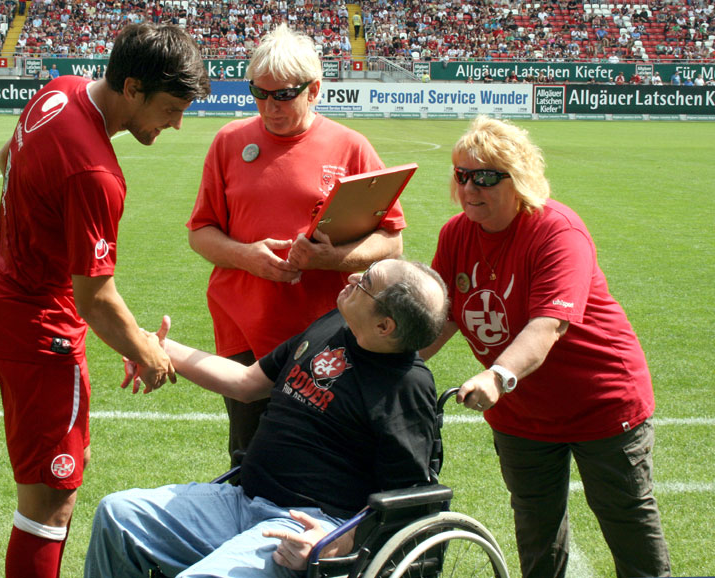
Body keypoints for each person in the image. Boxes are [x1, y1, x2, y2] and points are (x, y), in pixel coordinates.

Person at [0, 23, 210, 578]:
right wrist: (147, 350)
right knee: (50, 501)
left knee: (51, 482)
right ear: (132, 87)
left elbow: (8, 162)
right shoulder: (96, 171)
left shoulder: (59, 88)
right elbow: (96, 298)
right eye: (171, 109)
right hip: (40, 332)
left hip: (2, 306)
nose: (175, 124)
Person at [84, 259, 448, 578]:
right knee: (118, 515)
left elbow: (409, 500)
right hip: (243, 500)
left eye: (366, 282)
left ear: (385, 327)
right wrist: (155, 348)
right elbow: (246, 383)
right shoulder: (334, 325)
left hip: (303, 527)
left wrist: (336, 543)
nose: (353, 277)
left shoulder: (405, 387)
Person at [422, 116, 671, 578]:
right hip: (522, 415)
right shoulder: (456, 233)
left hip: (600, 402)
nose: (470, 187)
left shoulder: (557, 231)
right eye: (462, 175)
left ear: (516, 177)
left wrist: (496, 376)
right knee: (536, 531)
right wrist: (401, 361)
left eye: (486, 176)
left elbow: (547, 328)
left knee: (627, 523)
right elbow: (445, 313)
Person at [187, 23, 405, 466]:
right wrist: (247, 257)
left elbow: (392, 241)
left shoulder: (350, 147)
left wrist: (332, 259)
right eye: (259, 94)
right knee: (250, 456)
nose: (270, 106)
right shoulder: (229, 142)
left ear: (314, 90)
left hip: (326, 331)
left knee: (323, 457)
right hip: (243, 329)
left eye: (283, 94)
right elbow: (201, 232)